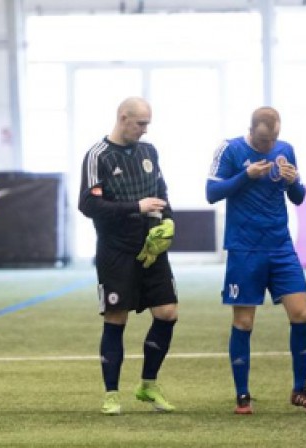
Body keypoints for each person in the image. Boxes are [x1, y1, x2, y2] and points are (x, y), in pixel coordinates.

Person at [206, 106, 306, 414]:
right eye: (262, 141)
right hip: (244, 249)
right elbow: (211, 192)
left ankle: (299, 390)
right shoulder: (230, 149)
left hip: (281, 247)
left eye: (272, 139)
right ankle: (242, 395)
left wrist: (294, 181)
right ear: (251, 131)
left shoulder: (286, 150)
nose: (268, 146)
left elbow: (297, 197)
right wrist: (245, 175)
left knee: (301, 313)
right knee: (244, 321)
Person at [78, 97, 178, 415]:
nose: (145, 131)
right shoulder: (98, 156)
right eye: (141, 124)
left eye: (148, 124)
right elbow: (89, 205)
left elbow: (161, 194)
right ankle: (111, 394)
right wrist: (137, 207)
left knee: (167, 313)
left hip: (151, 249)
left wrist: (170, 223)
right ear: (123, 118)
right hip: (115, 250)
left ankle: (148, 385)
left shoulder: (149, 152)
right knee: (115, 318)